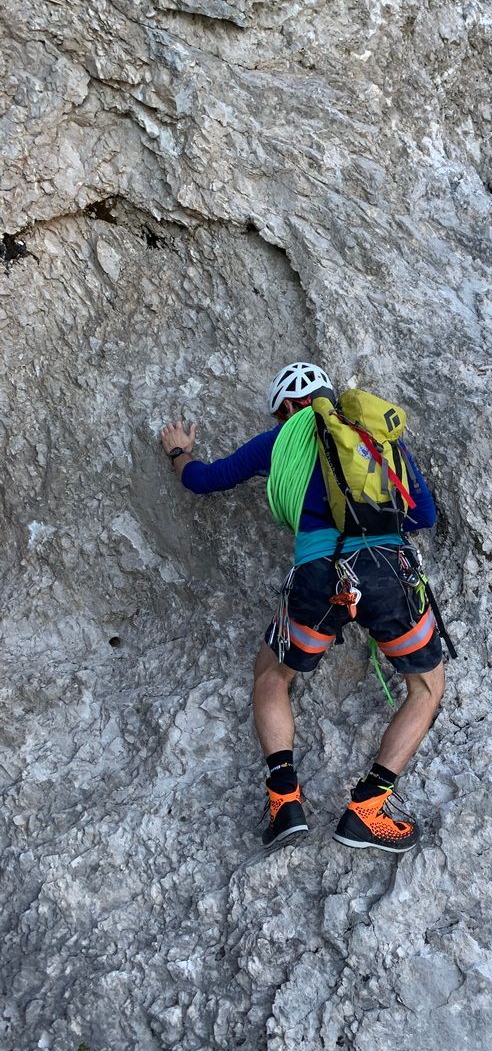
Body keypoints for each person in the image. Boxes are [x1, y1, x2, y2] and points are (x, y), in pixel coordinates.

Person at [159, 362, 445, 854]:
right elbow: (423, 514)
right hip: (386, 572)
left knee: (273, 673)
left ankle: (284, 801)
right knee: (425, 687)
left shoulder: (281, 439)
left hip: (319, 576)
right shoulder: (374, 436)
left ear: (287, 407)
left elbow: (203, 481)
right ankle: (368, 810)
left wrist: (180, 453)